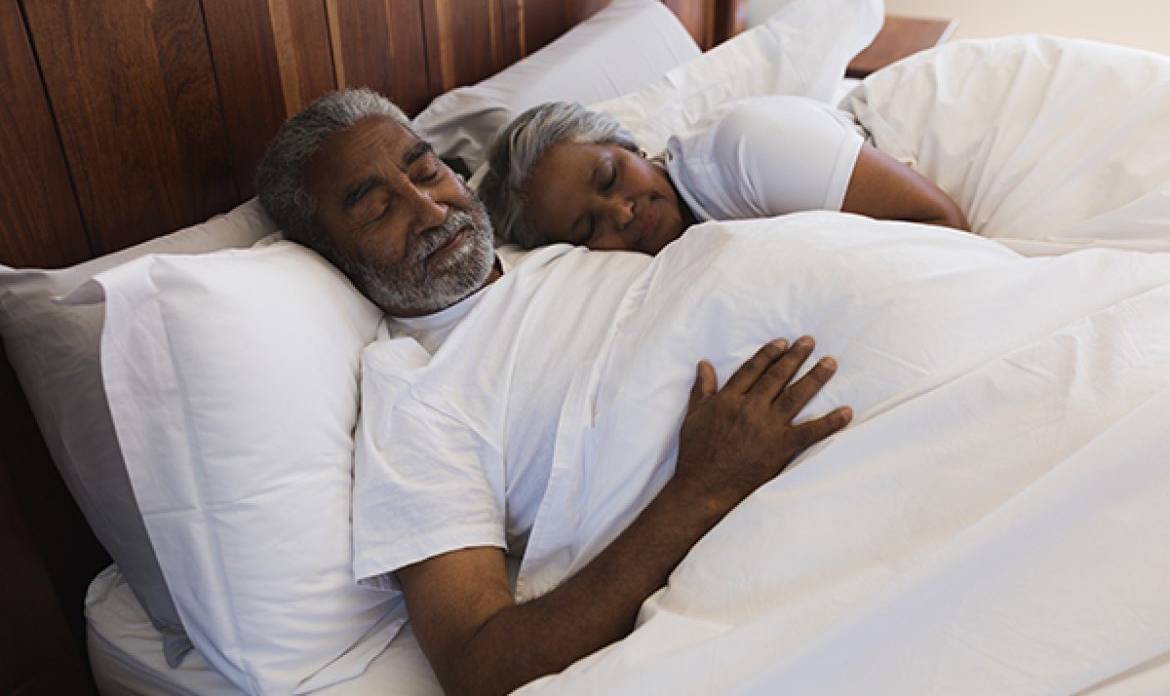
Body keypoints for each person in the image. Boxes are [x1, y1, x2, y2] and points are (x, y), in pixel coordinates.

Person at [255, 87, 852, 695]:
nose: (431, 210)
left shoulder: (543, 242)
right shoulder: (414, 393)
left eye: (427, 172)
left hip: (854, 298)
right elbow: (477, 666)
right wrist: (702, 488)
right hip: (800, 473)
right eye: (379, 210)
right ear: (332, 256)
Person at [479, 96, 969, 255]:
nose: (622, 213)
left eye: (609, 178)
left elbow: (944, 225)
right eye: (589, 228)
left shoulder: (746, 146)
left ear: (627, 145)